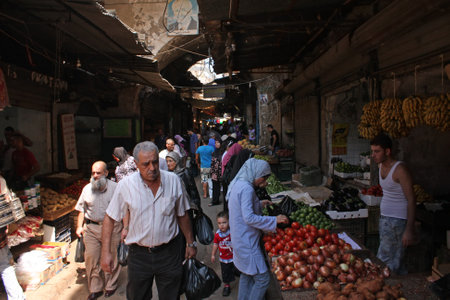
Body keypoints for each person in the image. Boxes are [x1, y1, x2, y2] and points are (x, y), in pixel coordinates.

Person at [100, 141, 196, 300]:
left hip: (170, 253)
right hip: (139, 256)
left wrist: (190, 243)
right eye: (146, 164)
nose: (152, 168)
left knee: (171, 296)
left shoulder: (173, 181)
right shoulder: (126, 185)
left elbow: (182, 214)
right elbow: (110, 218)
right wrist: (106, 253)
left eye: (155, 162)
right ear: (136, 164)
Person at [227, 158, 288, 300]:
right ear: (256, 173)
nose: (264, 181)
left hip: (239, 238)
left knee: (246, 274)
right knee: (263, 279)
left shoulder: (238, 184)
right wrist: (274, 220)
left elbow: (241, 208)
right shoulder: (247, 189)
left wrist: (259, 204)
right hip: (246, 241)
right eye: (264, 177)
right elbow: (249, 218)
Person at [370, 133, 416, 275]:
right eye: (372, 151)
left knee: (386, 260)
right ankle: (402, 287)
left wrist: (409, 229)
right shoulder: (380, 166)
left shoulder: (400, 170)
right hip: (385, 219)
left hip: (398, 221)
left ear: (387, 151)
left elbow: (412, 199)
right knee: (395, 260)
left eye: (377, 151)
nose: (373, 155)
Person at [75, 161, 122, 300]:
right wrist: (79, 226)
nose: (95, 176)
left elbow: (124, 209)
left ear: (106, 173)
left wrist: (126, 228)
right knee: (91, 258)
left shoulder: (116, 188)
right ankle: (95, 288)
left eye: (98, 173)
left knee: (113, 256)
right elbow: (81, 210)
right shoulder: (86, 189)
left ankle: (110, 285)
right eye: (93, 173)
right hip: (92, 228)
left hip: (113, 228)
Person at [0, 175, 26, 300]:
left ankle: (17, 297)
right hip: (1, 229)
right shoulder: (1, 181)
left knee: (4, 264)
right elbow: (8, 202)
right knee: (5, 263)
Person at [211, 211, 237, 297]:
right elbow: (215, 244)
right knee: (225, 272)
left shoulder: (231, 232)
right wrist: (213, 254)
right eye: (219, 223)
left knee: (236, 268)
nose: (222, 225)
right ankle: (227, 285)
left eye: (224, 222)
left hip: (234, 257)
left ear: (229, 222)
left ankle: (236, 274)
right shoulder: (217, 235)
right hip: (224, 259)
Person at [209, 139, 222, 206]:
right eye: (216, 143)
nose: (216, 144)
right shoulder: (214, 152)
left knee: (218, 186)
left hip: (220, 172)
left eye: (218, 142)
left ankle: (216, 200)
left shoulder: (222, 152)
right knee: (215, 186)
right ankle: (215, 201)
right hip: (214, 172)